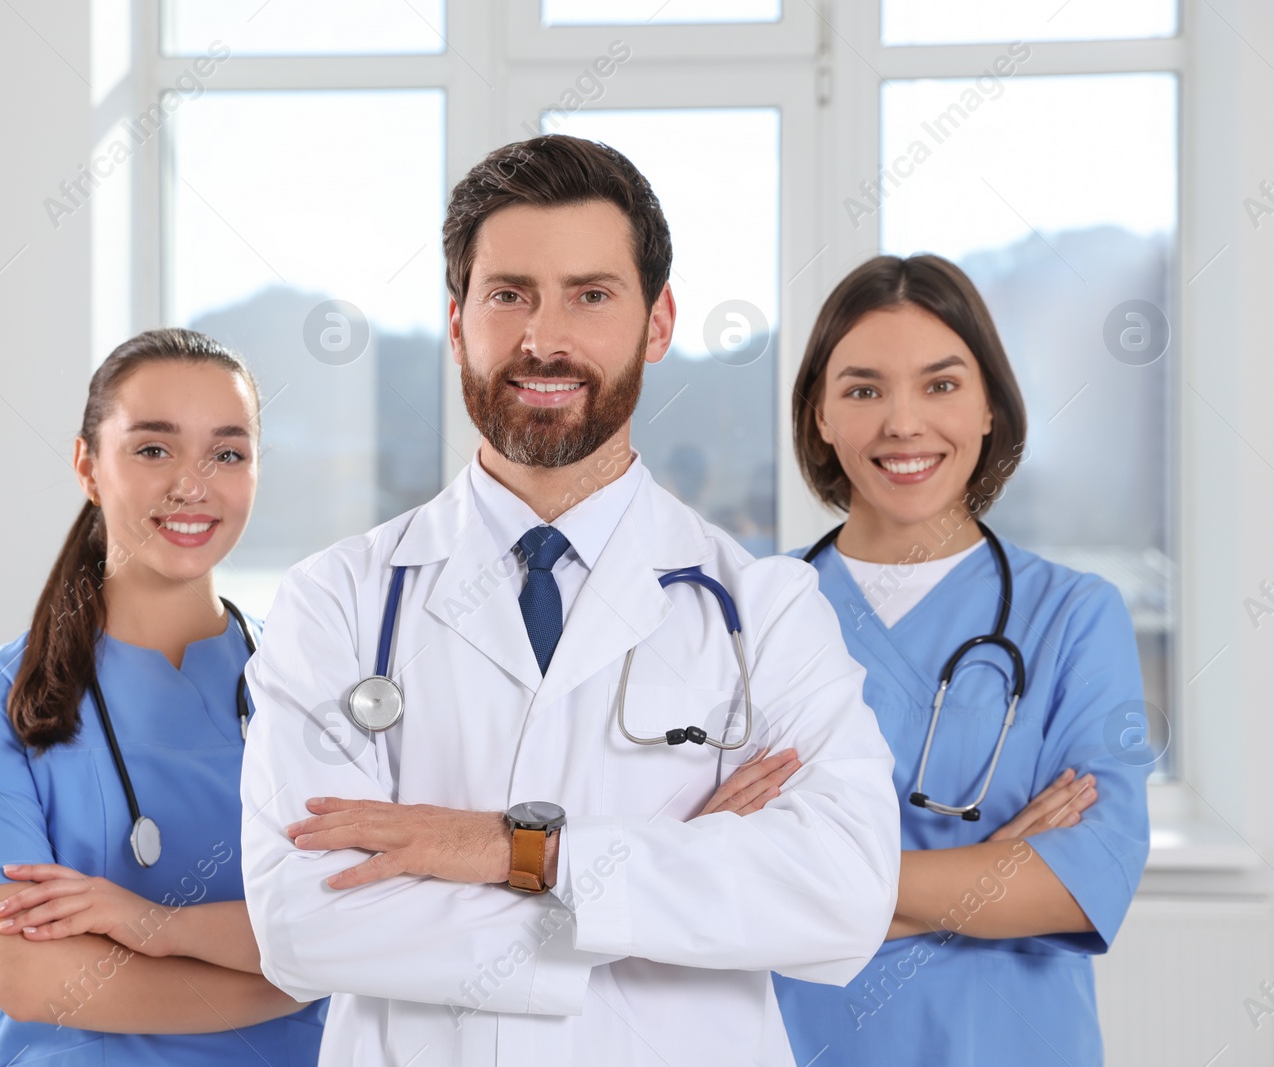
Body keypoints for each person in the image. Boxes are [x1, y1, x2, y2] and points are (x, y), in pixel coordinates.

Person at [238, 134, 902, 1067]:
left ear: (658, 322)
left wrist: (511, 850)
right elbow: (303, 926)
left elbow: (840, 893)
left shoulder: (770, 610)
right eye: (509, 294)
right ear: (458, 318)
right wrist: (656, 873)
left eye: (591, 296)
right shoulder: (337, 601)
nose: (543, 339)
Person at [773, 255, 1151, 1065]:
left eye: (940, 384)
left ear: (990, 408)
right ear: (819, 417)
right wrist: (991, 868)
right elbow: (700, 867)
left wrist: (804, 879)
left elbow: (1085, 879)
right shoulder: (755, 612)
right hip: (797, 1041)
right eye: (864, 389)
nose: (903, 423)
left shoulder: (1074, 616)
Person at [0, 329, 326, 1066]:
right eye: (154, 448)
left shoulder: (308, 680)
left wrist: (153, 924)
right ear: (87, 464)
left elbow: (355, 920)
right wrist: (288, 985)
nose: (193, 482)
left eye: (228, 453)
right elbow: (28, 974)